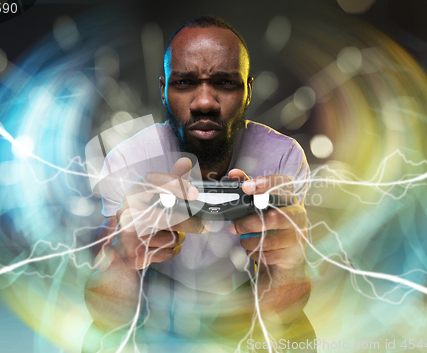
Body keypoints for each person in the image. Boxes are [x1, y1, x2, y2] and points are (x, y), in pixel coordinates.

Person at [83, 15, 315, 352]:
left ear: (249, 90)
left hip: (241, 305)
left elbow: (286, 308)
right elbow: (106, 315)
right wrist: (122, 256)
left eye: (224, 83)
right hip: (157, 308)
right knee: (98, 342)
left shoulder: (282, 156)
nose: (204, 102)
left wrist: (290, 264)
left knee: (300, 337)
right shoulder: (128, 159)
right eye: (184, 83)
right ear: (163, 89)